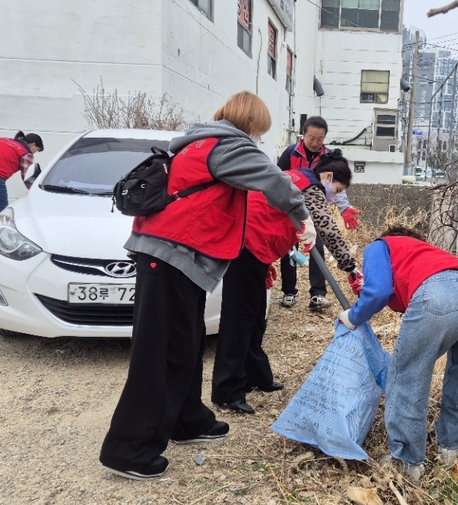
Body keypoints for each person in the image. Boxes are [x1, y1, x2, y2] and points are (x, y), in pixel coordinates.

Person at [99, 91, 316, 481]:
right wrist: (303, 218)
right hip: (170, 254)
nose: (260, 138)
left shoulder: (199, 143)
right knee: (160, 351)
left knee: (186, 342)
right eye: (260, 130)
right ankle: (129, 449)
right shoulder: (228, 145)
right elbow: (274, 179)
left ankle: (188, 420)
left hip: (173, 254)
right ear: (250, 122)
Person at [338, 225, 458, 482]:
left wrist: (352, 316)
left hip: (444, 295)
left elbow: (379, 292)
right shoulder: (430, 254)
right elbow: (398, 294)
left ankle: (407, 463)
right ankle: (448, 451)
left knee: (408, 377)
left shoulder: (381, 245)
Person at [212, 150, 361, 414]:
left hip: (254, 249)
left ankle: (256, 374)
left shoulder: (295, 176)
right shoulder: (311, 187)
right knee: (238, 322)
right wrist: (350, 267)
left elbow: (275, 215)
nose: (334, 197)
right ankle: (227, 391)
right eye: (337, 190)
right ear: (327, 177)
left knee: (255, 318)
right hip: (246, 248)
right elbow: (327, 228)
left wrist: (267, 260)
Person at [276, 116, 361, 311]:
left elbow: (336, 187)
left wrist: (344, 208)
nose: (315, 143)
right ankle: (289, 291)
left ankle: (318, 294)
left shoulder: (328, 158)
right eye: (311, 138)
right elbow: (330, 232)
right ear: (303, 135)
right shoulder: (292, 154)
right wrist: (351, 268)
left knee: (317, 247)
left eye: (320, 139)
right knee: (289, 249)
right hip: (290, 211)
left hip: (306, 210)